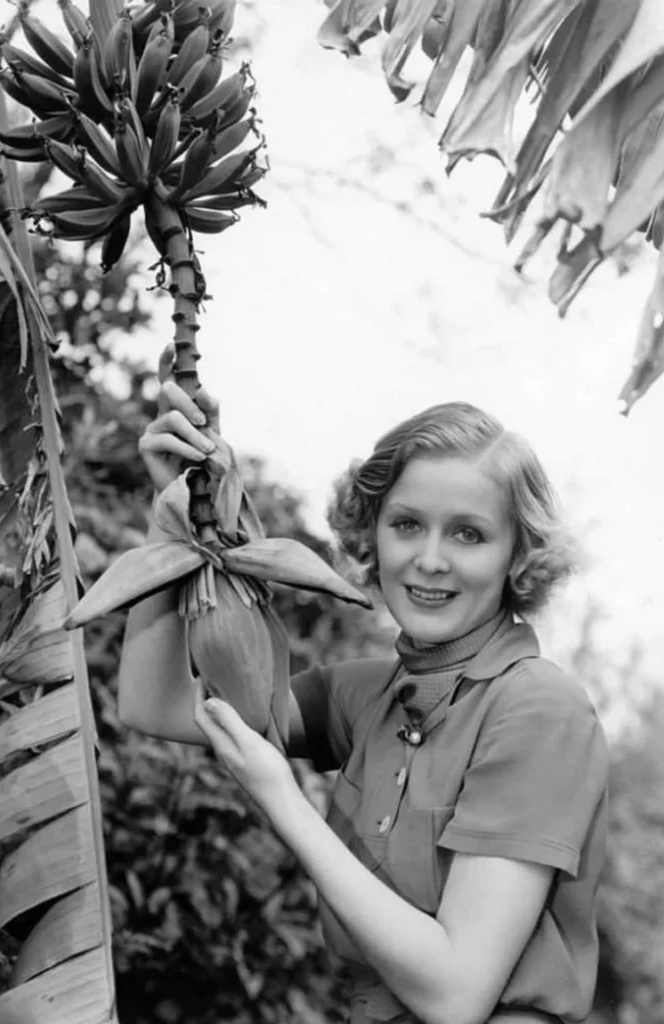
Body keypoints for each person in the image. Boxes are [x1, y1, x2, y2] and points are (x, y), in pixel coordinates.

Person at [118, 353, 609, 1024]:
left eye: (468, 534)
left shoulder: (539, 708)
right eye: (406, 524)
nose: (428, 559)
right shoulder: (367, 696)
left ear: (516, 557)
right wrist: (176, 511)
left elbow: (456, 995)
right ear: (372, 533)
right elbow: (155, 706)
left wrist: (281, 799)